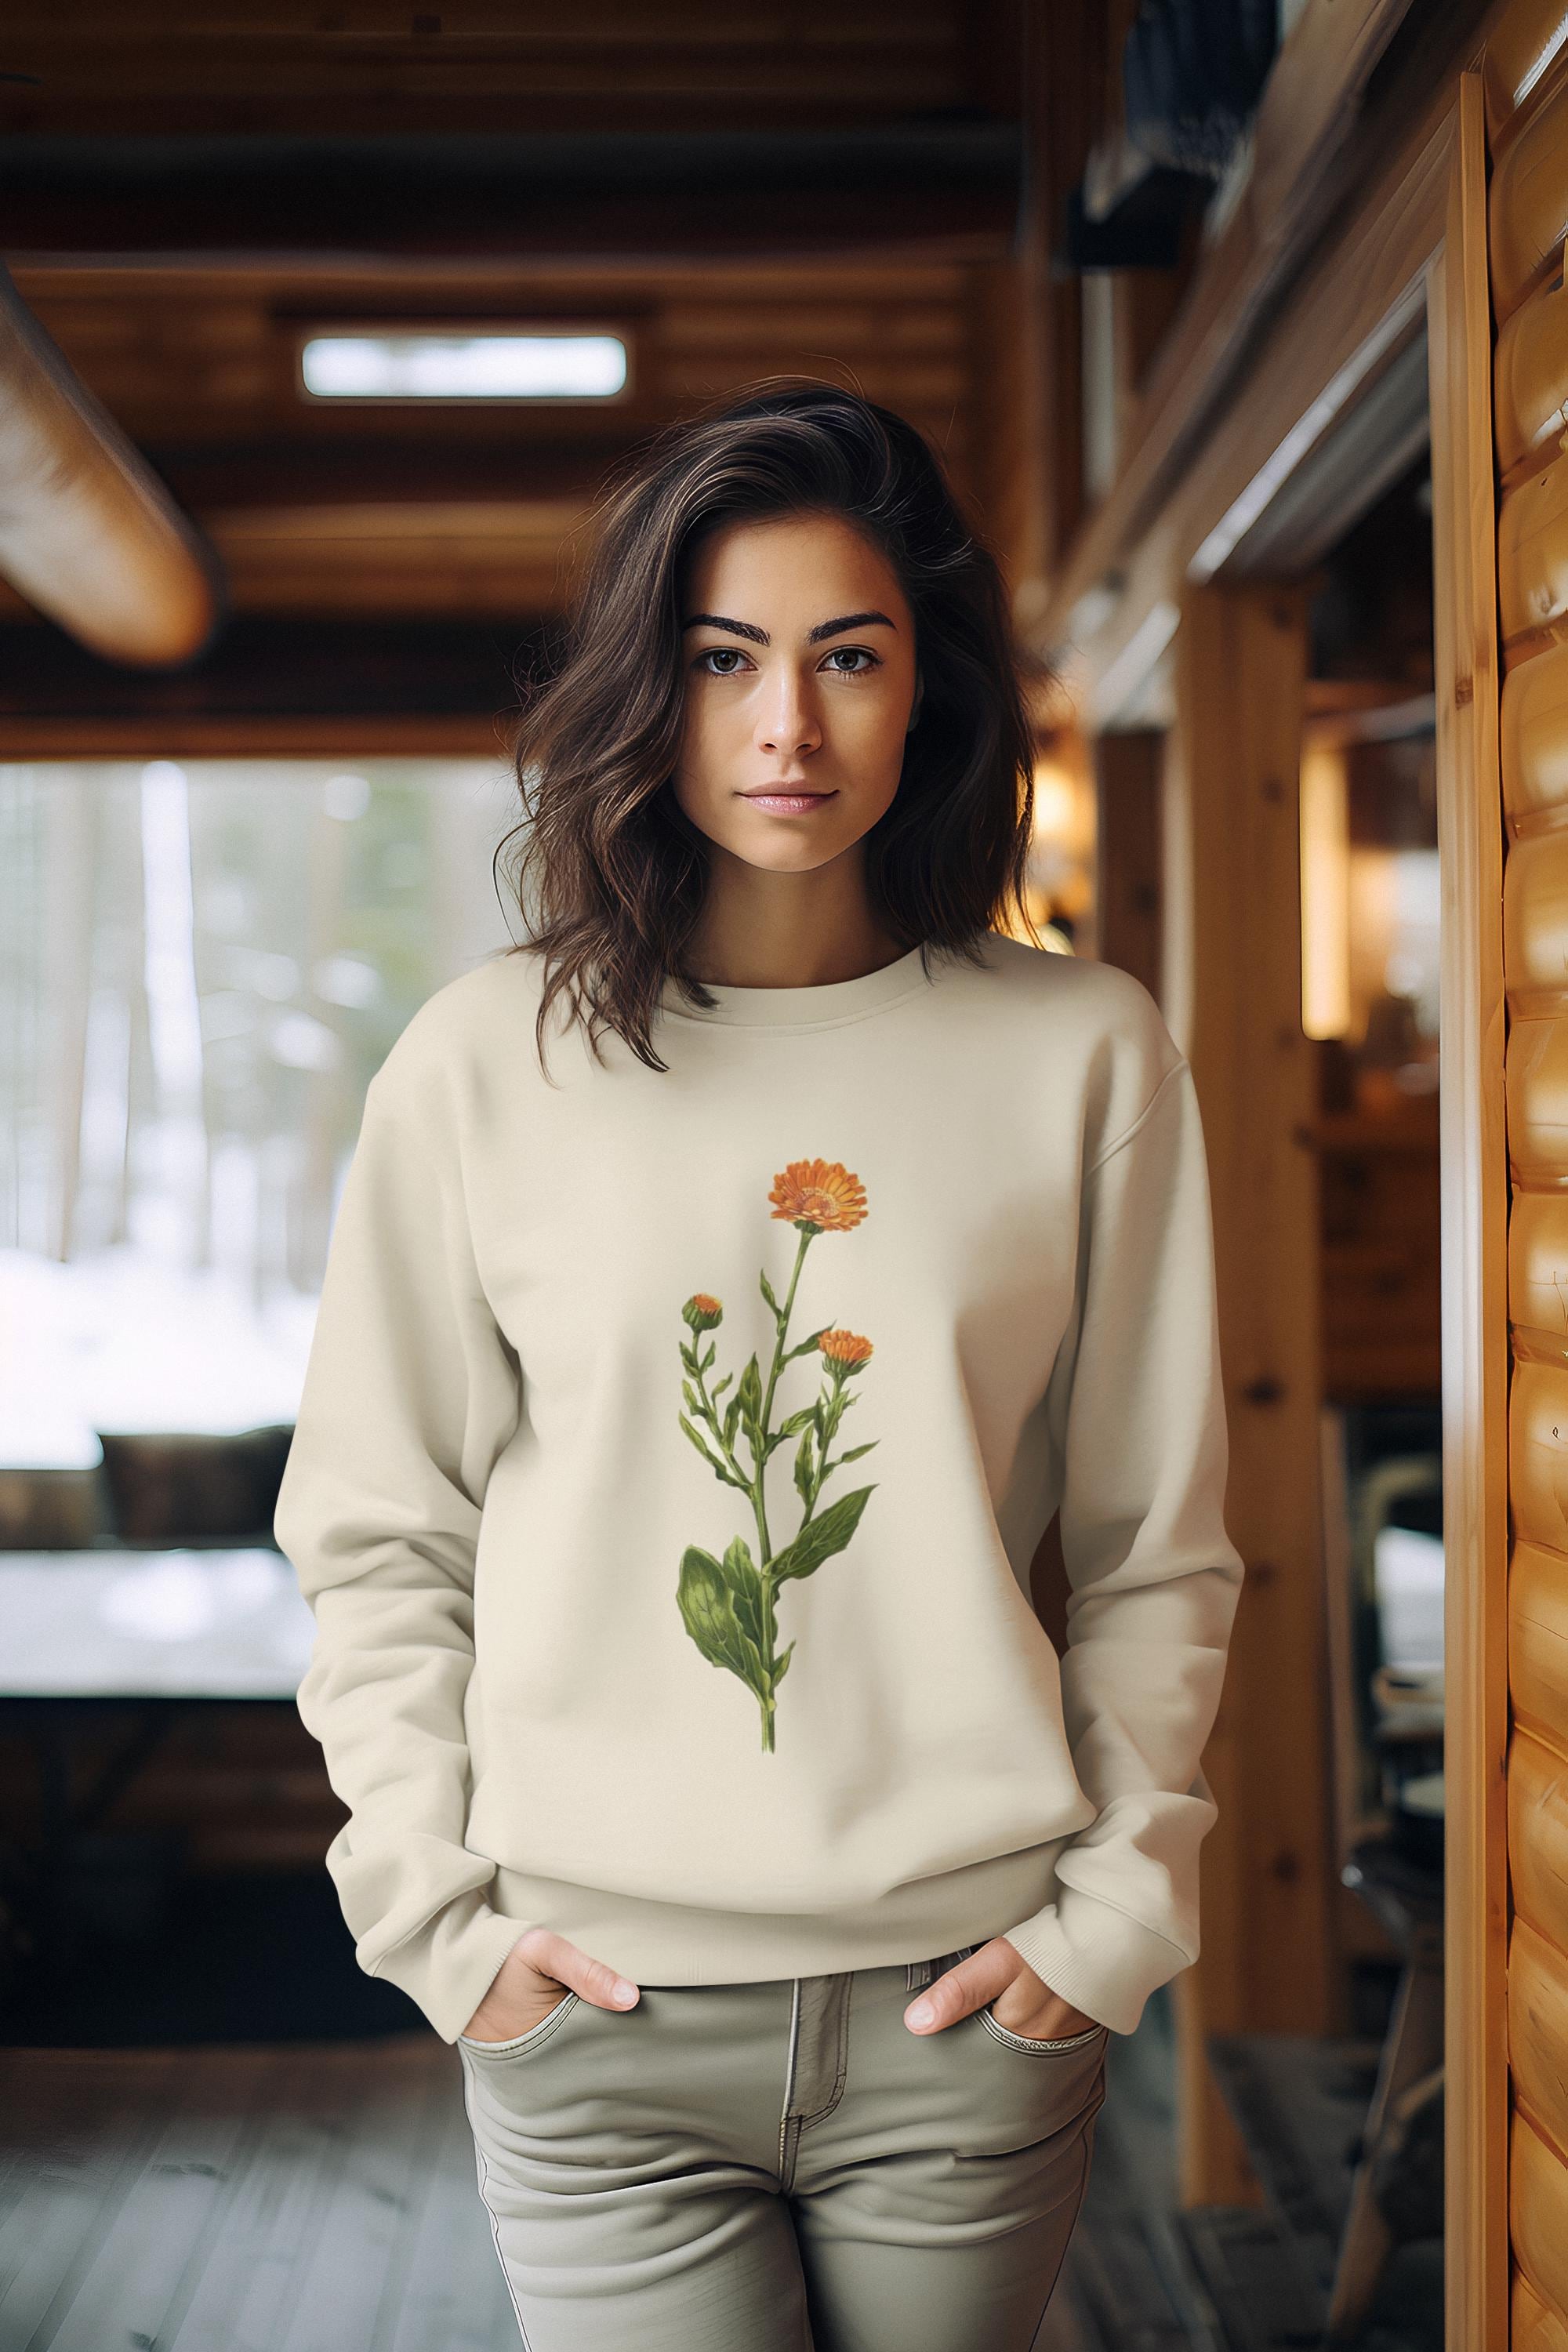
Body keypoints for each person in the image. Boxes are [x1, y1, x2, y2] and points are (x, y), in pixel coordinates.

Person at [273, 380, 1245, 2352]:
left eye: (848, 657)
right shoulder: (487, 1063)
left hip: (967, 2008)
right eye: (723, 660)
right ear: (653, 689)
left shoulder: (1085, 1056)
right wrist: (443, 1931)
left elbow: (1159, 1541)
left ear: (929, 692)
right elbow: (381, 1539)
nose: (786, 724)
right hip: (593, 2023)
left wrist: (1115, 1916)